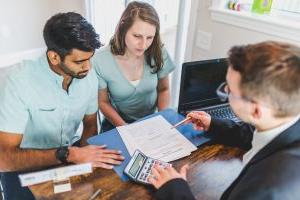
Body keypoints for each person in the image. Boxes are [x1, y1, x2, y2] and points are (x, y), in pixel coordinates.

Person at [149, 41, 300, 199]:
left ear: (256, 111)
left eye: (230, 91)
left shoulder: (263, 188)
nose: (225, 92)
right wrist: (213, 124)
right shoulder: (285, 118)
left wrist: (174, 188)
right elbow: (250, 133)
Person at [0, 12, 124, 200]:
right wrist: (69, 155)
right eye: (79, 61)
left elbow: (90, 124)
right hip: (23, 163)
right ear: (54, 57)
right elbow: (5, 158)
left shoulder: (88, 76)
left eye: (90, 58)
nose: (88, 67)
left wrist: (85, 164)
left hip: (71, 155)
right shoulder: (18, 82)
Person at [92, 1, 175, 132]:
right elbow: (103, 102)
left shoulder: (158, 51)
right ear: (123, 29)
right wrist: (126, 129)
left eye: (149, 37)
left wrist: (162, 118)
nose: (143, 44)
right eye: (137, 36)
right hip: (117, 123)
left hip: (153, 119)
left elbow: (164, 89)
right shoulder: (99, 60)